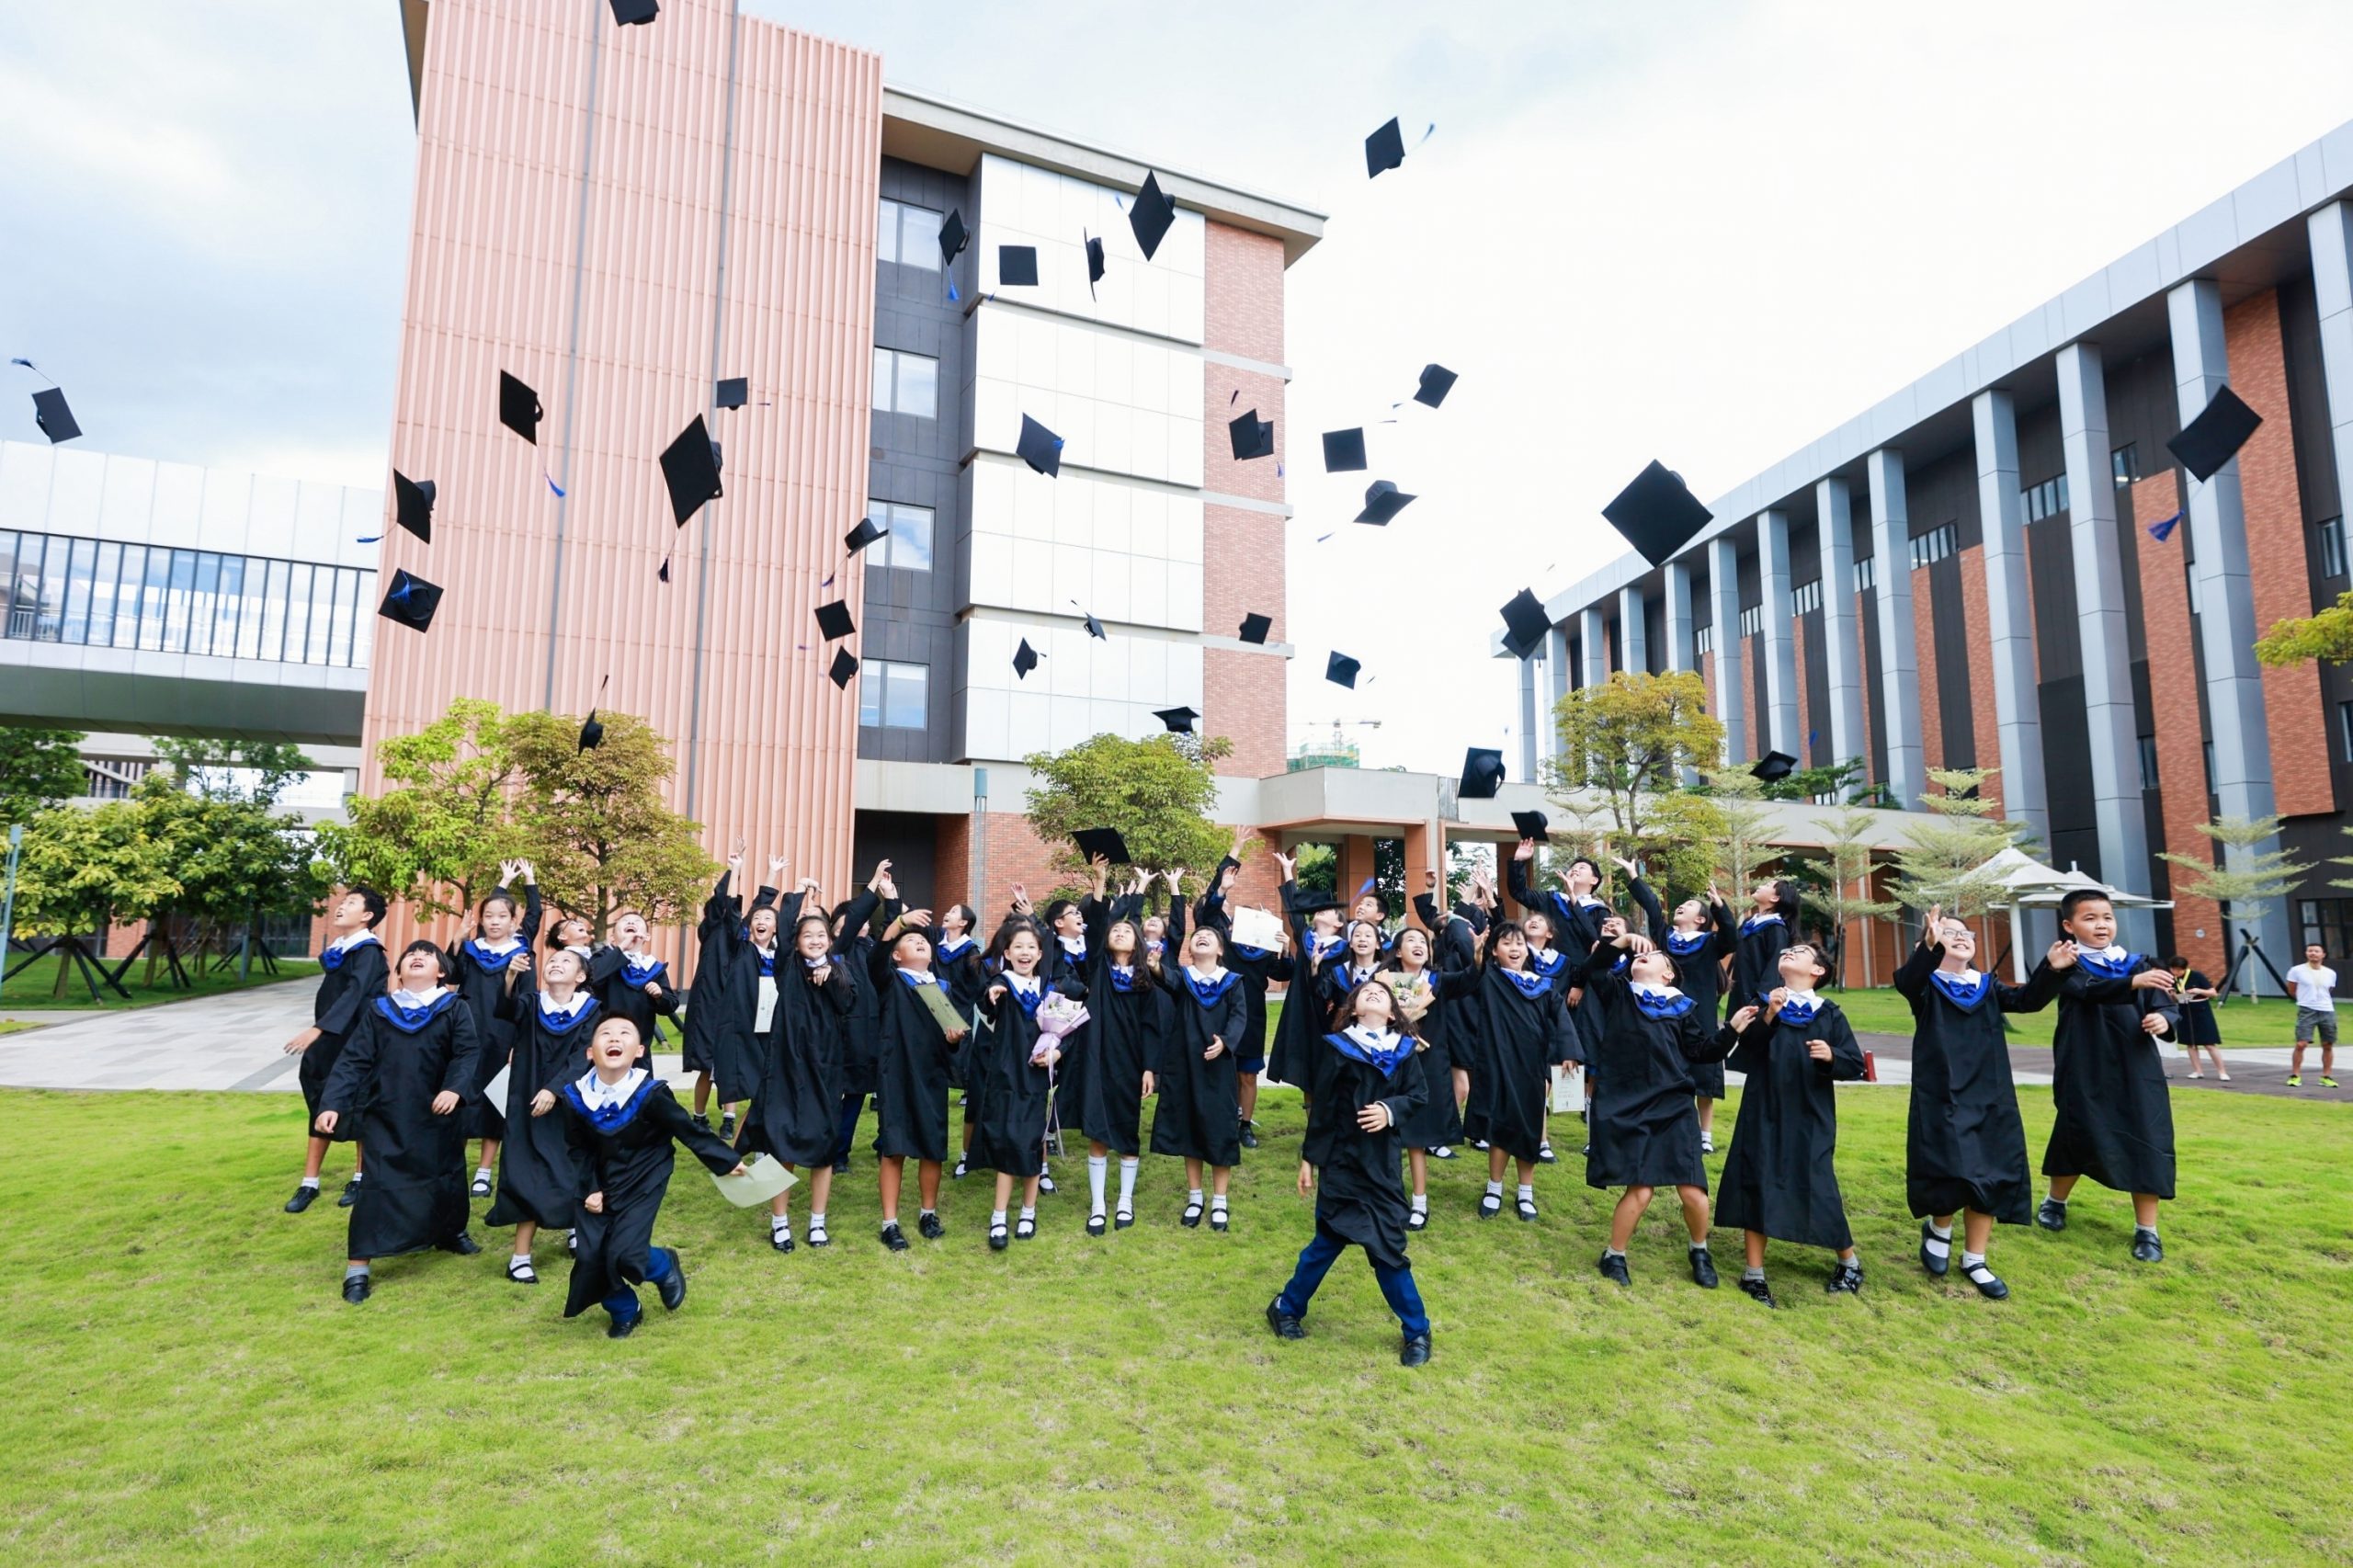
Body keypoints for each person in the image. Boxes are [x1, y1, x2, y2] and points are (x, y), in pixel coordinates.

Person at [1894, 910, 2064, 1300]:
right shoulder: (1926, 985)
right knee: (1950, 1165)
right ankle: (1940, 1228)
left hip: (1990, 1094)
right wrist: (1930, 947)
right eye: (1947, 932)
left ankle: (1975, 1258)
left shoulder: (1986, 986)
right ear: (1931, 942)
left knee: (1989, 1171)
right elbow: (1908, 978)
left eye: (1964, 932)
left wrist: (2050, 970)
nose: (1960, 937)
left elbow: (2027, 1001)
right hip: (1942, 1093)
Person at [1266, 980, 1434, 1367]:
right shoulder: (1337, 1048)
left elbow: (1418, 1096)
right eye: (1365, 991)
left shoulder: (1404, 1052)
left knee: (1388, 1251)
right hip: (1342, 1161)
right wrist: (1309, 1159)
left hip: (1382, 1166)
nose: (1373, 992)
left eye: (1382, 991)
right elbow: (1322, 1108)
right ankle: (1286, 1307)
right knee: (1326, 1244)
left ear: (1392, 1012)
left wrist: (1389, 1110)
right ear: (1354, 1008)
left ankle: (1417, 1330)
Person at [555, 1014, 745, 1337]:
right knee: (591, 1257)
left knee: (627, 1253)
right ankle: (625, 1310)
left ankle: (662, 1265)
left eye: (625, 1033)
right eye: (605, 1034)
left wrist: (725, 1160)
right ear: (590, 1053)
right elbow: (577, 1148)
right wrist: (589, 1188)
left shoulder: (650, 1093)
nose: (614, 1039)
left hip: (643, 1176)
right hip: (597, 1179)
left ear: (639, 1050)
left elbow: (686, 1129)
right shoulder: (575, 1098)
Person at [313, 939, 483, 1302]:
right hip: (387, 1112)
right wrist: (333, 1103)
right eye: (410, 955)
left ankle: (450, 1233)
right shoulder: (380, 1011)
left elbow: (467, 1053)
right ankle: (358, 1267)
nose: (417, 957)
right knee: (377, 1185)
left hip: (440, 1111)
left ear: (441, 971)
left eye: (427, 955)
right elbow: (353, 1060)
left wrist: (454, 1089)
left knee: (447, 1176)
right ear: (399, 971)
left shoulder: (454, 1007)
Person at [1715, 941, 1867, 1306]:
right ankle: (1754, 1274)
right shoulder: (1766, 1003)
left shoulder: (1828, 1013)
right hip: (1763, 1104)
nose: (1788, 952)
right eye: (1785, 950)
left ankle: (1849, 1262)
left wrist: (1831, 1056)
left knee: (1817, 1181)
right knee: (1757, 1176)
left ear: (1818, 971)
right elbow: (1745, 1052)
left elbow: (1854, 1063)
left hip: (1809, 1110)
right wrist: (1769, 1015)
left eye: (1799, 952)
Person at [2030, 891, 2180, 1261]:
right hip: (2084, 1063)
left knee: (2147, 1137)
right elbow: (2089, 991)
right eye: (2090, 918)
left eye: (2107, 917)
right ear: (2069, 925)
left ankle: (2148, 1231)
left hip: (2136, 1065)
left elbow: (2167, 1004)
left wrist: (2164, 1019)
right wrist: (2134, 984)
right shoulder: (2064, 963)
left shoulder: (2140, 963)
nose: (2101, 925)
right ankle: (2055, 1201)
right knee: (2075, 1133)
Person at [1579, 926, 1731, 1290]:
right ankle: (1614, 1255)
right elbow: (1594, 968)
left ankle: (1699, 1251)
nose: (1641, 956)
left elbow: (1702, 1052)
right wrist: (1622, 942)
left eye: (1653, 955)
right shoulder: (1620, 994)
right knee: (1641, 1191)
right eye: (1638, 955)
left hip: (1675, 1104)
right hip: (1628, 1103)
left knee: (1693, 1191)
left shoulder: (1682, 1007)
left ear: (1668, 974)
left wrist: (1734, 1030)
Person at [736, 903, 855, 1253]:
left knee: (823, 1148)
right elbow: (786, 927)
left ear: (830, 941)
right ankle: (780, 1222)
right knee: (781, 1144)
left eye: (821, 935)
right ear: (796, 941)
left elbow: (847, 1003)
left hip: (824, 1072)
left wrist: (831, 976)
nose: (815, 940)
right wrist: (798, 895)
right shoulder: (787, 967)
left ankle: (817, 1222)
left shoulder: (840, 972)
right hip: (785, 1070)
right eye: (808, 935)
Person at [1068, 870, 1179, 1234]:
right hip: (1097, 1058)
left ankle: (1125, 1202)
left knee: (1128, 1131)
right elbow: (1100, 922)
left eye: (1126, 932)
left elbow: (1152, 1028)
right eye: (1116, 930)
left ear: (1137, 945)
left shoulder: (1143, 980)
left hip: (1130, 1062)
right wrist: (1100, 883)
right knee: (1099, 1131)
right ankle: (1099, 1205)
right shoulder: (1097, 969)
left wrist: (1150, 1068)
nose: (1119, 933)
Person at [483, 945, 598, 1284]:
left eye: (566, 961)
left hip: (570, 1102)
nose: (555, 964)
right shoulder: (531, 1004)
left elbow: (584, 1056)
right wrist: (510, 975)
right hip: (525, 1101)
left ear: (580, 977)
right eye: (552, 961)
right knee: (526, 1175)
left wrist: (555, 1089)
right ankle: (520, 1257)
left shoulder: (592, 1010)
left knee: (571, 1168)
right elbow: (503, 1008)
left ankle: (575, 1227)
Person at [1455, 919, 1575, 1221]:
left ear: (1528, 950)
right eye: (1506, 943)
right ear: (1495, 951)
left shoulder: (1543, 985)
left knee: (1529, 1129)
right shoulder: (1492, 979)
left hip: (1532, 1067)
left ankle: (1526, 1192)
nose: (1514, 947)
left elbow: (1561, 1020)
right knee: (1500, 1128)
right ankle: (1494, 1188)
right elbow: (1474, 971)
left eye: (1519, 943)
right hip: (1497, 1065)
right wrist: (1480, 949)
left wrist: (1569, 1053)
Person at [281, 885, 390, 1213]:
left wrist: (318, 1028)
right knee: (319, 1105)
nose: (341, 907)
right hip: (330, 1042)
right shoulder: (342, 949)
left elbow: (354, 996)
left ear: (367, 916)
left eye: (351, 903)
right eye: (342, 902)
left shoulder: (369, 952)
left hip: (358, 1044)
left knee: (360, 1108)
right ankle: (309, 1183)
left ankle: (361, 1177)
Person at [866, 898, 967, 1250]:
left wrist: (953, 1040)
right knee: (894, 1149)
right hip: (896, 1075)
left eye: (923, 939)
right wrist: (900, 921)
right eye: (909, 940)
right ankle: (890, 1223)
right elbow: (875, 958)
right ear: (897, 954)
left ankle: (928, 1213)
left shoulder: (942, 988)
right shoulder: (890, 982)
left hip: (932, 1077)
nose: (919, 941)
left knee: (932, 1147)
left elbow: (948, 1042)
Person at [974, 923, 1078, 1248]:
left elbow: (1067, 1032)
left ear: (1040, 954)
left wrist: (1056, 1053)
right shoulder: (1002, 983)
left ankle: (1029, 1212)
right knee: (1007, 1142)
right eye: (1017, 947)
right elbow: (986, 1002)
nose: (1024, 952)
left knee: (1033, 1143)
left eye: (1030, 947)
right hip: (1006, 1076)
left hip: (1036, 1078)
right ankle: (999, 1217)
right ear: (1006, 953)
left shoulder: (1049, 989)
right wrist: (990, 996)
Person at [1149, 919, 1250, 1230]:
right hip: (1185, 1066)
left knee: (1220, 1131)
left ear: (1220, 950)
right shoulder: (1184, 978)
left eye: (1209, 937)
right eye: (1197, 936)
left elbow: (1239, 1016)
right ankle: (1196, 1196)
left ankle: (1220, 1200)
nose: (1202, 937)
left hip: (1218, 1068)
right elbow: (1165, 978)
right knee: (1189, 1130)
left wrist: (1226, 1041)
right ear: (1190, 951)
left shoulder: (1232, 981)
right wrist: (1154, 965)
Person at [450, 861, 541, 1199]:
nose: (494, 921)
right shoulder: (474, 950)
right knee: (460, 1096)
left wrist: (528, 881)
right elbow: (453, 976)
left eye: (501, 916)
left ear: (513, 921)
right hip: (467, 1032)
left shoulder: (520, 955)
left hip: (502, 1037)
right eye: (488, 916)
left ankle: (485, 1171)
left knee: (494, 1103)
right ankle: (452, 1165)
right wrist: (458, 941)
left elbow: (527, 1001)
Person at [1630, 873, 1736, 1154]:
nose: (1682, 905)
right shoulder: (1666, 939)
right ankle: (1669, 1127)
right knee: (1670, 1070)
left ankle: (1705, 1135)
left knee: (1704, 1078)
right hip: (1667, 1016)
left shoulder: (1710, 942)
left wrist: (1719, 907)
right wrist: (1634, 876)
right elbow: (1653, 908)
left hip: (1700, 1016)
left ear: (1700, 919)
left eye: (1689, 905)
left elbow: (1731, 938)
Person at [1197, 832, 1281, 1149]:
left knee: (1247, 1073)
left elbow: (1282, 972)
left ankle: (1245, 1125)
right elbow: (1208, 910)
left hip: (1254, 1013)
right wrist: (1226, 875)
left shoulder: (1263, 949)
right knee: (1219, 1070)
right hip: (1222, 1010)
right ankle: (1217, 1119)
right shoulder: (1222, 941)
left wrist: (1283, 948)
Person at [1378, 926, 1461, 1230]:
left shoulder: (1436, 982)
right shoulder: (1382, 982)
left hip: (1424, 1066)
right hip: (1387, 1062)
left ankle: (1419, 1203)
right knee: (1384, 1134)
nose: (1419, 945)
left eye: (1423, 942)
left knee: (1416, 1136)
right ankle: (1385, 1198)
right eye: (1411, 940)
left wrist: (1477, 954)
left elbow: (1470, 980)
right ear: (1398, 951)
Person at [585, 910, 679, 1076]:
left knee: (639, 1094)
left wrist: (660, 995)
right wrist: (621, 949)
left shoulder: (653, 968)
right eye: (625, 921)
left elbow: (670, 1005)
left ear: (647, 937)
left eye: (636, 921)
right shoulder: (603, 958)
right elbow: (592, 977)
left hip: (640, 1045)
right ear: (613, 938)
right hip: (606, 1041)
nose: (631, 922)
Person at [2285, 943, 2338, 1089]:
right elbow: (2291, 989)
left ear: (2323, 954)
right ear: (2306, 953)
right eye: (2310, 951)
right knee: (2301, 1043)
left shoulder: (2330, 973)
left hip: (2327, 1010)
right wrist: (2304, 1000)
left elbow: (2329, 990)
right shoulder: (2296, 971)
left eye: (2316, 951)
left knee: (2328, 1044)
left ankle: (2326, 1076)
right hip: (2307, 1010)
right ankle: (2295, 1075)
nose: (2313, 953)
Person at [2167, 957, 2228, 1081]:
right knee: (2191, 1044)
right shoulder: (2172, 979)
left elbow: (2213, 993)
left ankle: (2222, 1071)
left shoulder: (2197, 976)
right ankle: (2197, 1071)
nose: (2176, 973)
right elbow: (2175, 999)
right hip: (2184, 1009)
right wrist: (2172, 994)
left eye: (2179, 970)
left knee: (2209, 1043)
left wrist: (2198, 990)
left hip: (2201, 1009)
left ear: (2185, 969)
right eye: (2174, 970)